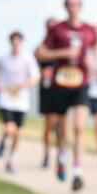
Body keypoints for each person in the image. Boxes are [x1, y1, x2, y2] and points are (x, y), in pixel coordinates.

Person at [36, 0, 97, 191]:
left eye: (76, 4)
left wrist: (92, 60)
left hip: (81, 82)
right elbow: (40, 52)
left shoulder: (90, 29)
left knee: (80, 127)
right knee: (63, 131)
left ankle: (78, 171)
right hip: (60, 83)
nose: (73, 7)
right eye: (70, 4)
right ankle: (62, 155)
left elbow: (96, 49)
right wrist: (62, 53)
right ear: (65, 6)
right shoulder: (57, 29)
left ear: (81, 6)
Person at [0, 31, 41, 174]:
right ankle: (3, 139)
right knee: (10, 129)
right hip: (6, 98)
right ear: (10, 43)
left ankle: (10, 160)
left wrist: (23, 84)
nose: (15, 44)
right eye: (13, 41)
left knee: (18, 134)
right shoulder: (3, 58)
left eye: (18, 41)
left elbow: (35, 77)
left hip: (21, 100)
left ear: (21, 42)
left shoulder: (28, 58)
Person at [37, 17, 60, 169]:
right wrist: (43, 72)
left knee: (61, 126)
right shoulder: (41, 49)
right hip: (48, 89)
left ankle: (60, 155)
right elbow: (32, 70)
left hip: (63, 89)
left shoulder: (63, 47)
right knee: (49, 124)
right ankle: (46, 153)